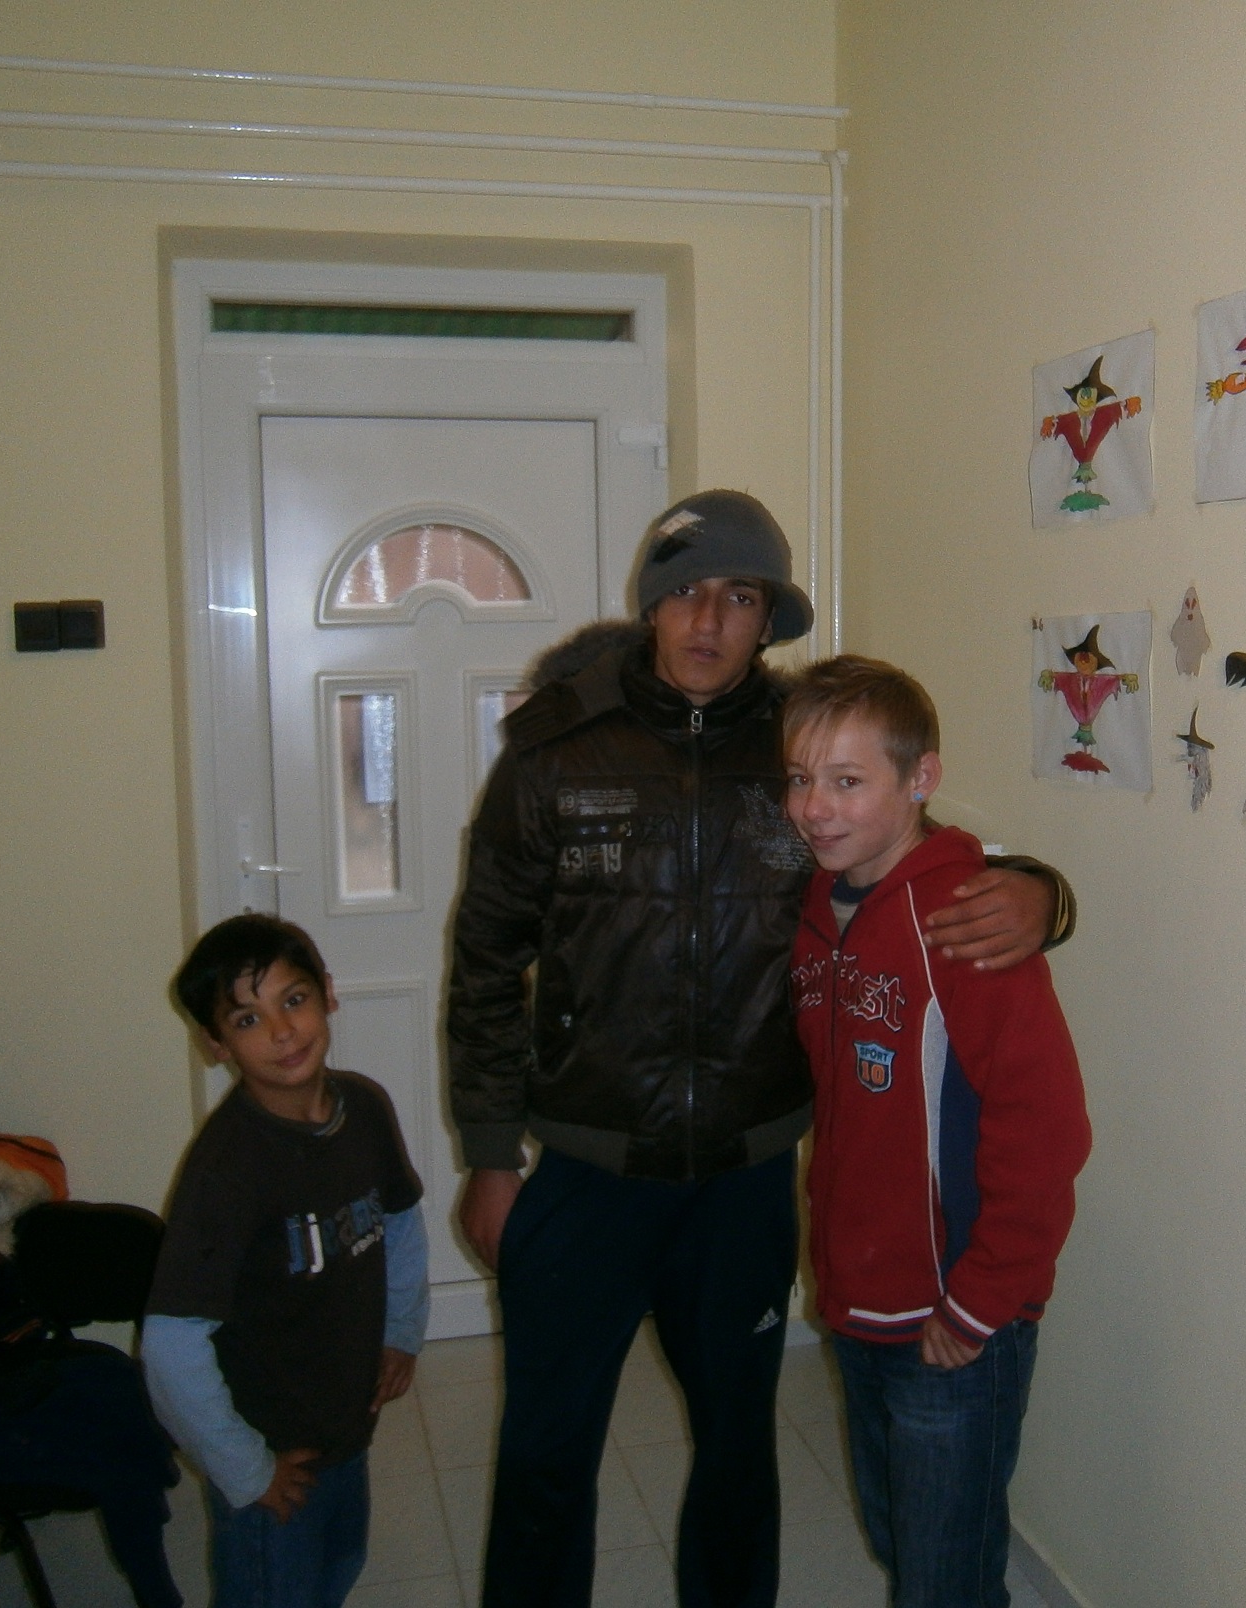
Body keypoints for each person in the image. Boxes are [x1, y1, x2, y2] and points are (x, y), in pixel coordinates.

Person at [445, 489, 1074, 1607]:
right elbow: (486, 957)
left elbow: (911, 852)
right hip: (585, 1169)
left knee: (738, 1451)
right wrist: (492, 1153)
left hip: (742, 1180)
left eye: (739, 598)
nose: (708, 620)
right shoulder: (555, 749)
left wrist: (1038, 890)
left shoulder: (800, 749)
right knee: (545, 1453)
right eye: (686, 591)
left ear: (769, 618)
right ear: (649, 603)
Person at [781, 655, 1091, 1608]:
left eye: (847, 781)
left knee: (944, 1580)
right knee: (900, 1540)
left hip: (956, 1316)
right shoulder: (818, 907)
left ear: (921, 778)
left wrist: (980, 1300)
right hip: (860, 1302)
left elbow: (1047, 1131)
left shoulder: (969, 921)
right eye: (799, 778)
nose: (815, 809)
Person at [144, 914, 430, 1608]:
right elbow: (169, 1345)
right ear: (216, 1044)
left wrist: (402, 1330)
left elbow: (400, 1220)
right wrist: (245, 1470)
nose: (282, 1031)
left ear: (328, 994)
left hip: (345, 1426)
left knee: (338, 1569)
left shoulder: (365, 1107)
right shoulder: (227, 1170)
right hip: (274, 1454)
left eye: (293, 999)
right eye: (248, 1019)